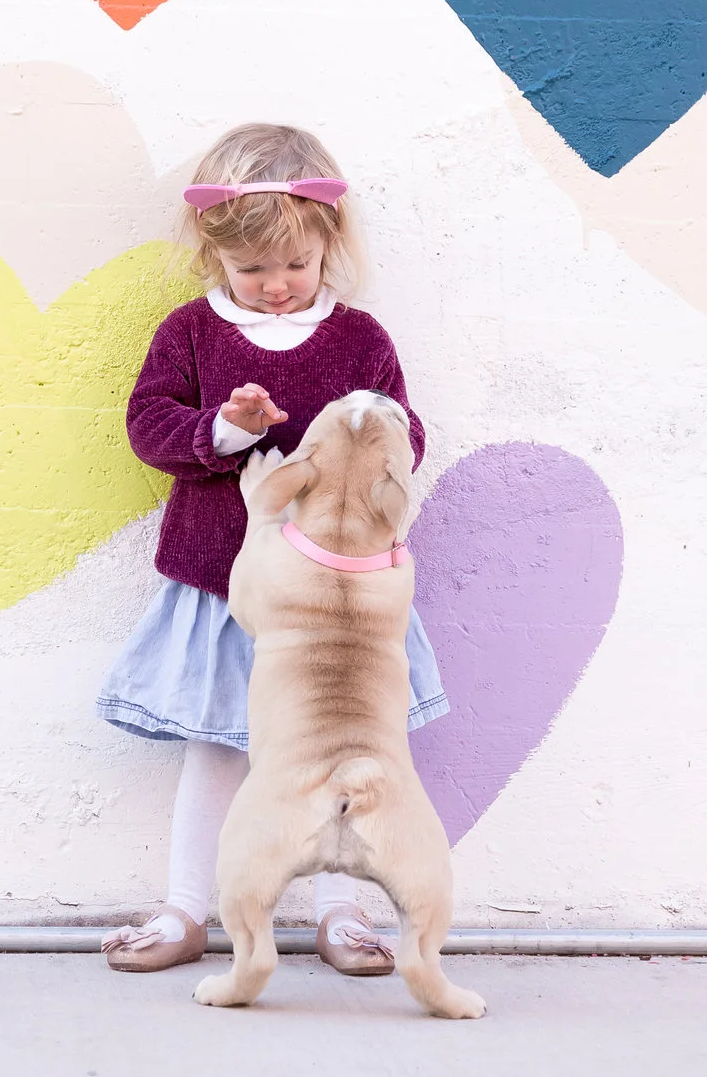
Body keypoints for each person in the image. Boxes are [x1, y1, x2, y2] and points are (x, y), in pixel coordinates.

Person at [97, 122, 445, 975]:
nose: (277, 287)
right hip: (226, 590)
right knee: (218, 748)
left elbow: (409, 438)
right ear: (215, 256)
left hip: (336, 603)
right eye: (252, 270)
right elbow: (149, 425)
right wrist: (224, 426)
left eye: (296, 265)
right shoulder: (191, 332)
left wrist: (363, 440)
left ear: (330, 243)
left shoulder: (359, 339)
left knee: (341, 750)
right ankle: (187, 908)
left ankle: (342, 910)